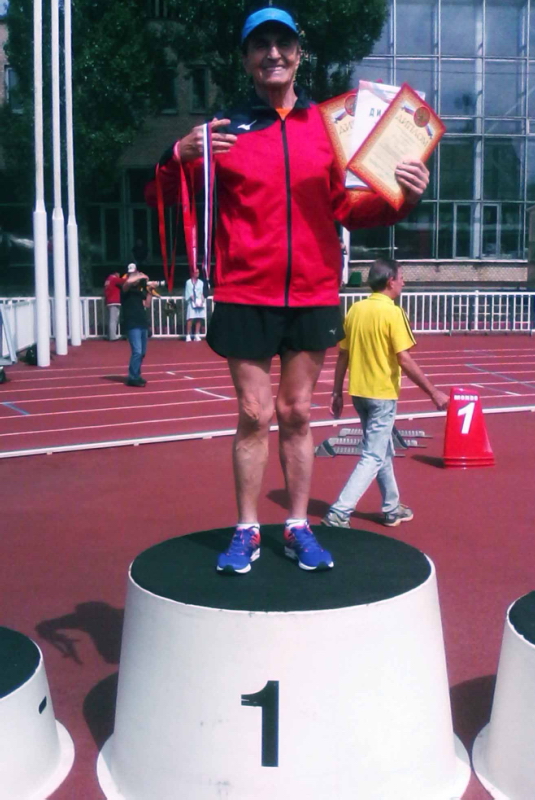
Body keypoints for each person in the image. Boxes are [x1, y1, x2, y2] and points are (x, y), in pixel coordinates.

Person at [145, 6, 430, 574]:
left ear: (299, 54)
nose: (272, 53)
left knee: (296, 412)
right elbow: (166, 194)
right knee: (254, 414)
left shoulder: (327, 129)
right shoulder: (224, 130)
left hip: (312, 291)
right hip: (245, 292)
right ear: (247, 59)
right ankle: (247, 528)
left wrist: (405, 197)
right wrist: (175, 157)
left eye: (283, 43)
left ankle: (298, 524)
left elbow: (348, 208)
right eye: (261, 45)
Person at [322, 259, 449, 529]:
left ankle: (392, 507)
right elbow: (404, 359)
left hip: (359, 392)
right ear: (390, 281)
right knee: (373, 455)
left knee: (383, 450)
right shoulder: (393, 312)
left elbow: (343, 354)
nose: (404, 281)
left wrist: (336, 392)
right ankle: (339, 512)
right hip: (381, 394)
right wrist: (433, 392)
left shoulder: (356, 309)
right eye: (401, 277)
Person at [121, 263, 159, 387]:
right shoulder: (125, 288)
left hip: (142, 322)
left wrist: (150, 291)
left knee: (142, 352)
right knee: (137, 351)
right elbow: (128, 282)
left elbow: (146, 304)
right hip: (132, 324)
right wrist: (140, 276)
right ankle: (132, 377)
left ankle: (137, 374)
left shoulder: (138, 291)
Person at [184, 267, 206, 341]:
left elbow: (202, 293)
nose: (197, 274)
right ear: (192, 273)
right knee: (190, 318)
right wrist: (195, 301)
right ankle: (188, 335)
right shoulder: (188, 282)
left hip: (199, 302)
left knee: (199, 318)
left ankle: (196, 334)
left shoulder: (201, 282)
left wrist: (202, 301)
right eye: (196, 272)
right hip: (191, 302)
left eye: (198, 272)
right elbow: (190, 294)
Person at [104, 271, 125, 341]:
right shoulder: (114, 279)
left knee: (111, 319)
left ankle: (110, 335)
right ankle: (112, 337)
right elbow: (123, 281)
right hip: (114, 301)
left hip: (109, 301)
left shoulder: (108, 280)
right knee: (113, 320)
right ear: (116, 273)